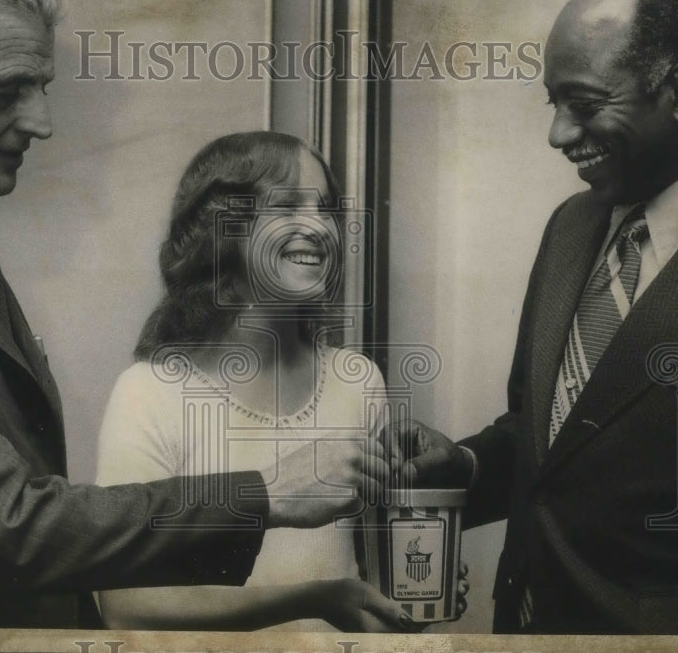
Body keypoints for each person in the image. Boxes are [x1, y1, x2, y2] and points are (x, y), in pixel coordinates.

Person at [0, 0, 387, 629]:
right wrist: (266, 494)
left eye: (42, 88)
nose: (42, 123)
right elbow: (3, 525)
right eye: (5, 90)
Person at [383, 0, 678, 635]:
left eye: (585, 105)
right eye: (553, 105)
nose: (558, 135)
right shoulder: (573, 226)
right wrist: (469, 464)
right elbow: (556, 436)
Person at [95, 131, 467, 631]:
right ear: (224, 227)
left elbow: (372, 582)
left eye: (328, 210)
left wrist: (412, 595)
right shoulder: (147, 392)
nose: (320, 228)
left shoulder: (358, 383)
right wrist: (315, 600)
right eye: (289, 207)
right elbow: (126, 609)